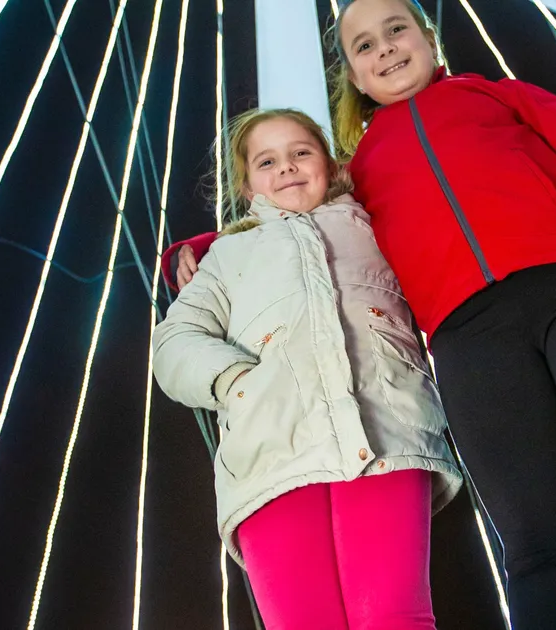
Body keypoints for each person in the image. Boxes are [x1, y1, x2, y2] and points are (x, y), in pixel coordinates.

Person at [164, 1, 556, 628]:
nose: (383, 48)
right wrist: (202, 248)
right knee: (535, 540)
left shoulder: (503, 97)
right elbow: (301, 228)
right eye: (363, 45)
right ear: (353, 76)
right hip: (471, 338)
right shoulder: (362, 169)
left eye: (396, 30)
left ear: (429, 39)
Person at [152, 106, 463, 630]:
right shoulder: (227, 259)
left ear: (332, 165)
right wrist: (237, 382)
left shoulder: (374, 225)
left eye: (302, 152)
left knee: (395, 617)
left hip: (384, 434)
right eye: (267, 161)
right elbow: (175, 341)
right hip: (271, 454)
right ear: (249, 187)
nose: (288, 167)